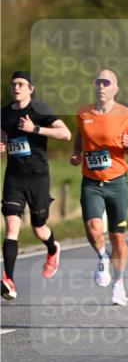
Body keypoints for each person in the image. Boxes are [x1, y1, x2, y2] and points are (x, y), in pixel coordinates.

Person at [70, 69, 128, 307]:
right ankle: (102, 258)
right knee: (93, 229)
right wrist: (77, 152)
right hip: (91, 181)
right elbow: (80, 135)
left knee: (118, 238)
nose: (101, 86)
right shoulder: (83, 112)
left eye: (106, 82)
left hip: (117, 182)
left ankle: (119, 284)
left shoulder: (127, 114)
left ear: (115, 88)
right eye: (98, 81)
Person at [1, 70, 71, 300]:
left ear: (31, 88)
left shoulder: (39, 111)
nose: (16, 87)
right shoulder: (4, 114)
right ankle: (8, 280)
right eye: (13, 84)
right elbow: (2, 137)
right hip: (14, 177)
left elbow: (66, 133)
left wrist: (36, 129)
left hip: (38, 177)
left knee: (39, 228)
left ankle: (53, 248)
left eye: (21, 84)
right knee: (11, 227)